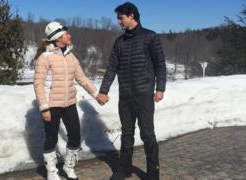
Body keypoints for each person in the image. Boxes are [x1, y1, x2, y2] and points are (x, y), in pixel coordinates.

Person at [97, 2, 166, 180]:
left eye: (120, 18)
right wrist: (103, 90)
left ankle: (153, 173)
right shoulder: (119, 42)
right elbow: (112, 67)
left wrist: (160, 88)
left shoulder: (150, 37)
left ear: (131, 16)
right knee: (127, 134)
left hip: (143, 95)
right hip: (125, 96)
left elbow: (160, 65)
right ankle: (124, 170)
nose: (118, 21)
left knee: (147, 134)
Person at [33, 21, 106, 180]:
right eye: (66, 34)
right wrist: (44, 108)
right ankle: (52, 172)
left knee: (74, 136)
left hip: (69, 103)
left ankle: (68, 166)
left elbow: (82, 78)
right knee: (51, 138)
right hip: (52, 105)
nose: (69, 36)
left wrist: (96, 94)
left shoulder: (71, 56)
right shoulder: (45, 57)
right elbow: (38, 84)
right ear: (58, 38)